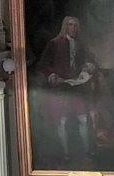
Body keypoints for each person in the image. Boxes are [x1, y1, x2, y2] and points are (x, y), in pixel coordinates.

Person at [33, 15, 99, 164]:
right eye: (70, 25)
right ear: (65, 26)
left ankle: (87, 151)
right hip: (60, 88)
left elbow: (90, 60)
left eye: (75, 25)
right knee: (62, 121)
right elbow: (43, 64)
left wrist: (87, 67)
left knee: (83, 119)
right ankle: (66, 153)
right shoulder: (54, 44)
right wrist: (52, 74)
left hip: (77, 86)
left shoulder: (81, 44)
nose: (73, 28)